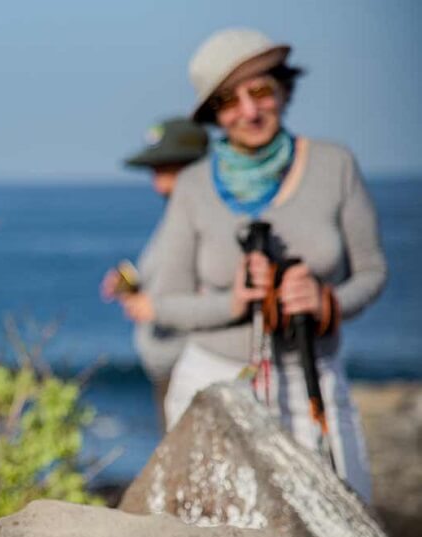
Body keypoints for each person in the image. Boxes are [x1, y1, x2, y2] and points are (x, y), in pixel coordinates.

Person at [147, 28, 386, 502]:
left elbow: (373, 273)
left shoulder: (334, 166)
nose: (249, 111)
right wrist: (233, 302)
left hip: (313, 379)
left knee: (344, 512)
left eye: (259, 90)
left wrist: (327, 301)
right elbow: (164, 305)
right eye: (228, 102)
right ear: (215, 115)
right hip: (214, 381)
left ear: (283, 88)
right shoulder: (194, 186)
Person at [100, 118, 208, 430]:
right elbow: (176, 278)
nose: (156, 178)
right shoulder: (176, 214)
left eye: (165, 167)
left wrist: (156, 307)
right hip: (171, 366)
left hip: (193, 368)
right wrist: (133, 286)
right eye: (154, 168)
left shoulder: (206, 218)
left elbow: (218, 293)